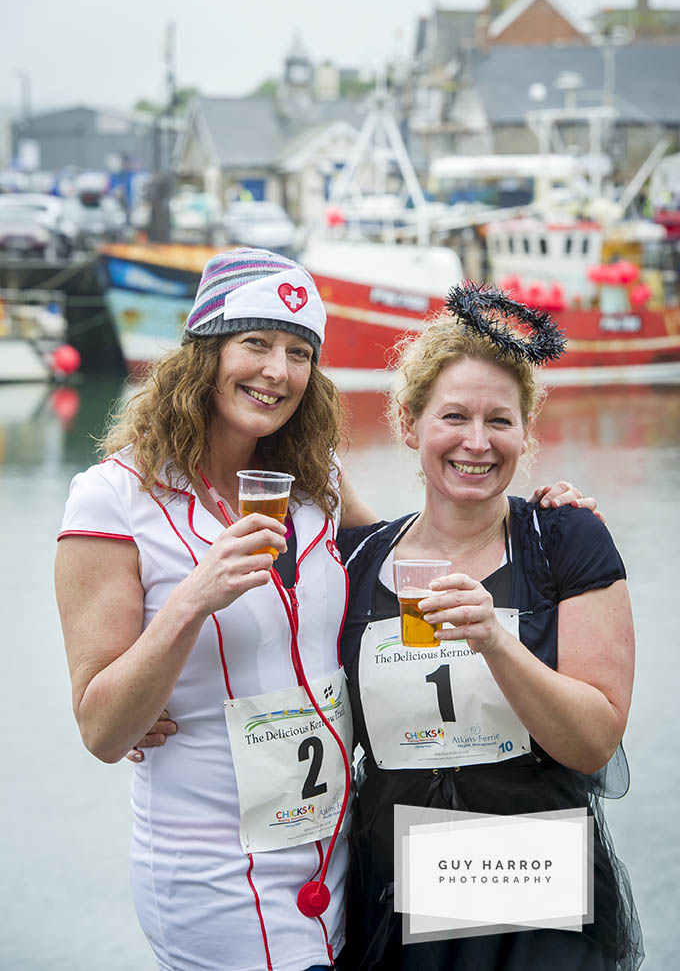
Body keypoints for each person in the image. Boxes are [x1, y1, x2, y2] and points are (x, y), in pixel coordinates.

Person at [55, 253, 596, 971]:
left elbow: (403, 557)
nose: (277, 370)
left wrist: (532, 523)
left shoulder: (316, 483)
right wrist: (194, 598)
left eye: (298, 351)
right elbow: (101, 725)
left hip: (336, 855)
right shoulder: (110, 500)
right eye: (254, 342)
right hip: (217, 864)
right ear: (205, 350)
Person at [336, 289, 644, 970]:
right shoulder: (357, 562)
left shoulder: (566, 540)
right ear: (410, 424)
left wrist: (494, 639)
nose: (477, 441)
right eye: (454, 416)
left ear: (526, 435)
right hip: (396, 901)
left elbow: (594, 741)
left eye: (499, 420)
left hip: (534, 903)